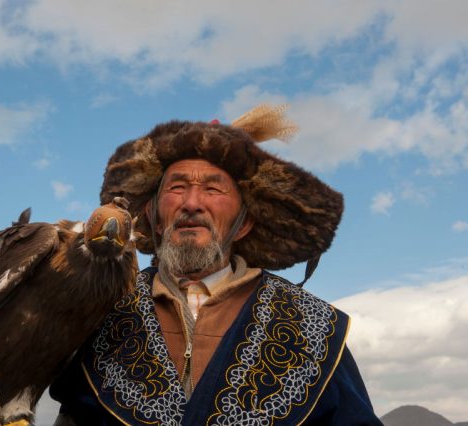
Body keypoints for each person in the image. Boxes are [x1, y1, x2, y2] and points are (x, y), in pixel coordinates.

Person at [50, 105, 382, 425]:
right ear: (153, 217)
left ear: (245, 222)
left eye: (213, 189)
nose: (192, 203)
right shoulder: (101, 309)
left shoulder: (313, 327)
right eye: (177, 187)